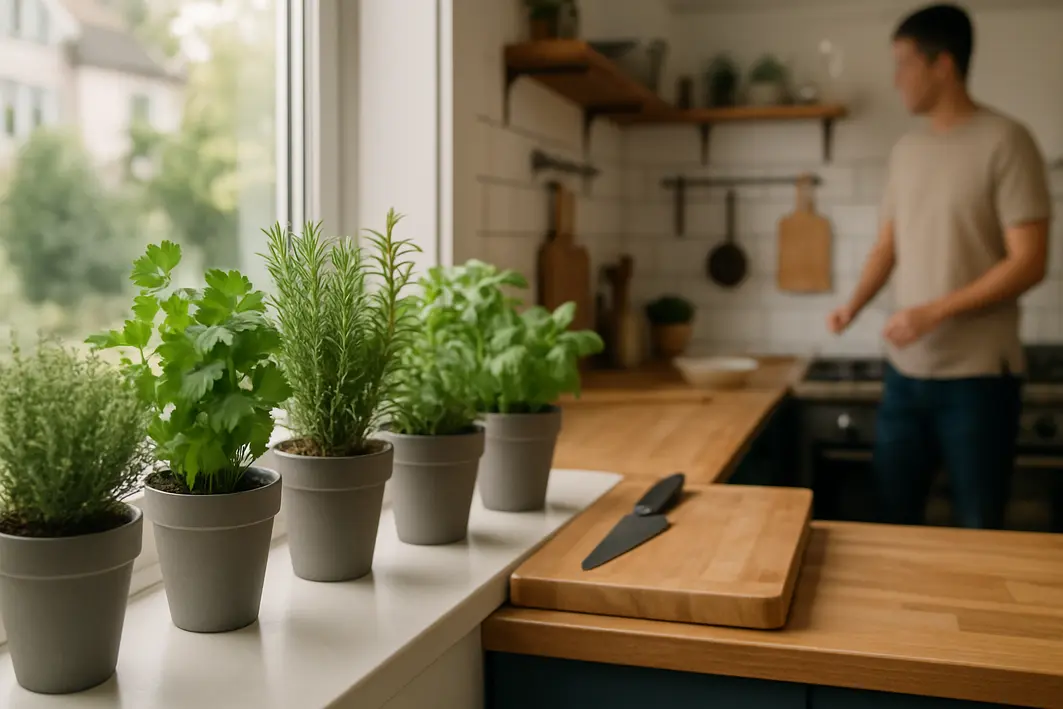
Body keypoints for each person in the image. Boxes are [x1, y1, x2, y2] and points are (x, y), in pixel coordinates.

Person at [827, 3, 1052, 529]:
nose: (896, 79)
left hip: (978, 383)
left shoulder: (1007, 141)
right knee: (891, 521)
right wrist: (852, 307)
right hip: (905, 376)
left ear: (942, 65)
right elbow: (888, 247)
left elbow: (1030, 262)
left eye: (904, 63)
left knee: (979, 529)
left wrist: (929, 314)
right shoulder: (907, 150)